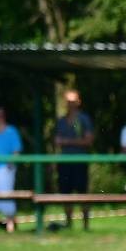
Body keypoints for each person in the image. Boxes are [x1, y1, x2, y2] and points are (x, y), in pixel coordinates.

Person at [54, 89, 94, 230]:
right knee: (66, 193)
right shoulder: (61, 121)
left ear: (78, 102)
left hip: (80, 162)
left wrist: (68, 141)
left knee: (82, 193)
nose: (70, 104)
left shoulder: (84, 120)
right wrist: (74, 141)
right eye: (68, 101)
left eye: (73, 101)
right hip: (65, 163)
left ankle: (85, 225)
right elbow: (57, 141)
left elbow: (88, 141)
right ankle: (69, 224)